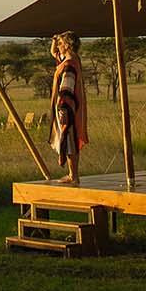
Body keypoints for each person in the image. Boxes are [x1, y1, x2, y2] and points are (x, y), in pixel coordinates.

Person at [49, 31, 87, 185]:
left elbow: (66, 89)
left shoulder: (69, 65)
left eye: (61, 43)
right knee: (69, 139)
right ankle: (73, 174)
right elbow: (54, 52)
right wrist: (55, 39)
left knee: (69, 139)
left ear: (67, 45)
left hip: (68, 107)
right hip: (71, 106)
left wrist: (63, 108)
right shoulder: (72, 59)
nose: (58, 46)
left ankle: (74, 176)